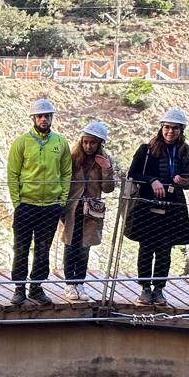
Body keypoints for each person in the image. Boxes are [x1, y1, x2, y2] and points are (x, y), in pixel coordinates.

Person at [126, 108, 189, 307]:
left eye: (174, 128)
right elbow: (133, 174)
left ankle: (159, 290)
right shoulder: (146, 150)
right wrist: (153, 180)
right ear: (161, 128)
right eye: (167, 127)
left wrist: (183, 181)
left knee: (165, 249)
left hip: (172, 205)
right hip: (148, 204)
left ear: (181, 130)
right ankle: (145, 288)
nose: (170, 132)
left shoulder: (185, 151)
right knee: (146, 247)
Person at [6, 98, 69, 307]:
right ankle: (19, 288)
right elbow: (13, 173)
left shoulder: (60, 143)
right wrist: (18, 201)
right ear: (33, 118)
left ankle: (36, 287)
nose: (43, 119)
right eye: (40, 116)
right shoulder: (22, 142)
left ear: (51, 117)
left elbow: (66, 172)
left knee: (43, 248)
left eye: (47, 116)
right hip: (27, 205)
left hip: (50, 206)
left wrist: (61, 200)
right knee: (21, 247)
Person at [60, 120, 115, 302]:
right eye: (85, 142)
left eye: (92, 142)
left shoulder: (104, 161)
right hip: (72, 209)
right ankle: (69, 284)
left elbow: (108, 188)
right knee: (70, 245)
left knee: (85, 247)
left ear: (99, 144)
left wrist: (106, 169)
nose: (88, 146)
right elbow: (63, 182)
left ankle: (80, 283)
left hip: (91, 211)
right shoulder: (72, 158)